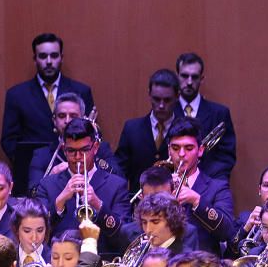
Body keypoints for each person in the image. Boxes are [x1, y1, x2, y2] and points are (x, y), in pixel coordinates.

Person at [35, 118, 131, 254]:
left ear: (96, 147)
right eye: (71, 151)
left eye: (84, 150)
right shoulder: (47, 185)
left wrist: (98, 204)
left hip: (101, 265)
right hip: (58, 264)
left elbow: (125, 237)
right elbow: (35, 233)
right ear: (64, 149)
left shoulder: (116, 185)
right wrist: (59, 201)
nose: (78, 157)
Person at [1, 32, 95, 161]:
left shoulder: (81, 92)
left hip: (74, 166)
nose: (49, 61)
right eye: (43, 56)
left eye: (54, 56)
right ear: (35, 59)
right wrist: (27, 163)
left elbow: (91, 133)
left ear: (61, 58)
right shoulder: (17, 95)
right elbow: (9, 140)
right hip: (33, 169)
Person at [165, 118, 235, 254]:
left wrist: (197, 200)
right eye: (175, 148)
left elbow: (228, 232)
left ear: (200, 150)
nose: (181, 154)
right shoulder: (160, 183)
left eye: (189, 148)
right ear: (169, 150)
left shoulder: (217, 187)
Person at [27, 92, 122, 191]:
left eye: (73, 116)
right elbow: (32, 193)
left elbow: (119, 179)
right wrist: (50, 177)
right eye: (62, 115)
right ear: (54, 121)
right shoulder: (41, 155)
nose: (67, 121)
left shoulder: (100, 148)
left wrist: (90, 157)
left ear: (84, 118)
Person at [174, 53, 237, 181]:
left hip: (209, 185)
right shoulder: (168, 111)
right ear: (177, 77)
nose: (190, 82)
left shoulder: (219, 113)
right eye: (185, 76)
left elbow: (226, 156)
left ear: (202, 79)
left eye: (195, 77)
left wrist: (201, 180)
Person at [115, 69, 178, 191]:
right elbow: (120, 170)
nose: (161, 105)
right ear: (149, 94)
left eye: (167, 100)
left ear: (177, 97)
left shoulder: (185, 131)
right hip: (138, 204)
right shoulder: (132, 129)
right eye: (156, 99)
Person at [227, 165, 268, 257]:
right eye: (266, 185)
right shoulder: (244, 218)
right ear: (259, 190)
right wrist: (246, 228)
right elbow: (228, 256)